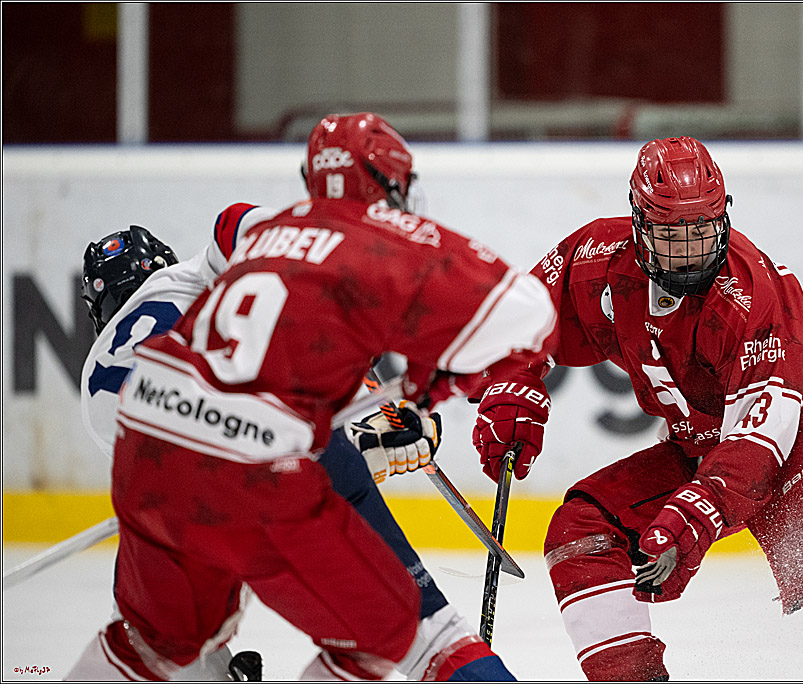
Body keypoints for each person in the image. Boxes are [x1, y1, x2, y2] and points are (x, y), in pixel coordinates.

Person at [66, 112, 556, 681]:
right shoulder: (343, 237)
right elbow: (527, 314)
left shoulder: (108, 370)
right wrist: (433, 382)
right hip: (259, 462)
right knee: (401, 630)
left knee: (152, 645)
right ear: (390, 183)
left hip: (150, 457)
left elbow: (195, 433)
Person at [470, 136, 803, 680]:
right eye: (669, 234)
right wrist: (510, 385)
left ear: (724, 217)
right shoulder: (595, 258)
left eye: (701, 231)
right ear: (638, 224)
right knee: (584, 528)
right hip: (706, 443)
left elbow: (760, 441)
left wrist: (694, 515)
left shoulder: (756, 294)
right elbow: (519, 321)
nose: (687, 250)